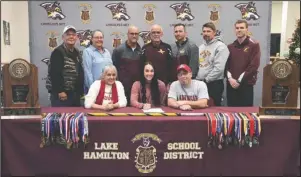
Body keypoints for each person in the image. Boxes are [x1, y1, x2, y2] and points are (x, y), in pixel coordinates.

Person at [46, 25, 84, 107]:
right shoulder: (58, 52)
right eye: (68, 35)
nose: (71, 37)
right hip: (62, 95)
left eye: (73, 35)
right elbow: (55, 73)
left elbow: (79, 71)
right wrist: (60, 91)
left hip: (74, 94)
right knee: (61, 119)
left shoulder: (77, 52)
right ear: (63, 37)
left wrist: (80, 92)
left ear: (76, 37)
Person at [226, 20, 260, 106]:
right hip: (231, 85)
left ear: (247, 30)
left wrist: (239, 80)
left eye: (242, 28)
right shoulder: (230, 47)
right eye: (237, 28)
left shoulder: (254, 45)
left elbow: (254, 66)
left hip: (246, 85)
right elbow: (226, 65)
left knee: (246, 115)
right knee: (231, 115)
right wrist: (230, 79)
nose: (239, 30)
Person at [196, 22, 229, 106]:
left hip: (214, 84)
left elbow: (219, 68)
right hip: (200, 83)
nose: (206, 33)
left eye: (208, 31)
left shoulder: (221, 47)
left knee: (214, 111)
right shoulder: (200, 47)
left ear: (214, 32)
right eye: (204, 31)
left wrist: (206, 80)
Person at [112, 26, 142, 105]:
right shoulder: (118, 50)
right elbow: (114, 69)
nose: (134, 36)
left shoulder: (141, 50)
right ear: (127, 34)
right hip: (122, 88)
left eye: (136, 34)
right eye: (132, 33)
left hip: (136, 89)